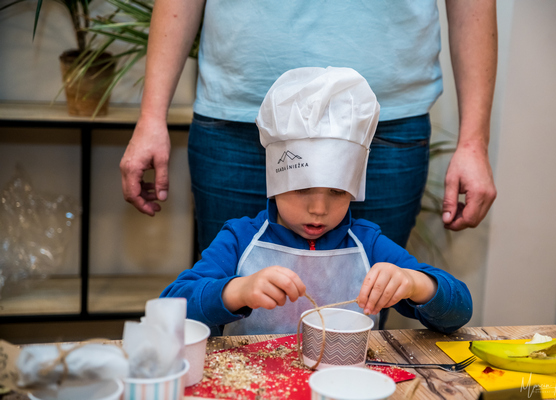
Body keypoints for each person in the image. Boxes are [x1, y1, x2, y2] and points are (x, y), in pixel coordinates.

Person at [119, 1, 498, 255]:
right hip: (238, 122)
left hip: (383, 128)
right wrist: (151, 117)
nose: (319, 208)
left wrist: (474, 143)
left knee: (362, 315)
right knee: (229, 309)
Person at [160, 67, 472, 337]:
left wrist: (416, 284)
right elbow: (171, 310)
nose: (319, 209)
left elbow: (459, 312)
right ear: (275, 181)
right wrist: (235, 291)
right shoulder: (239, 241)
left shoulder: (369, 245)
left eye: (337, 192)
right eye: (302, 190)